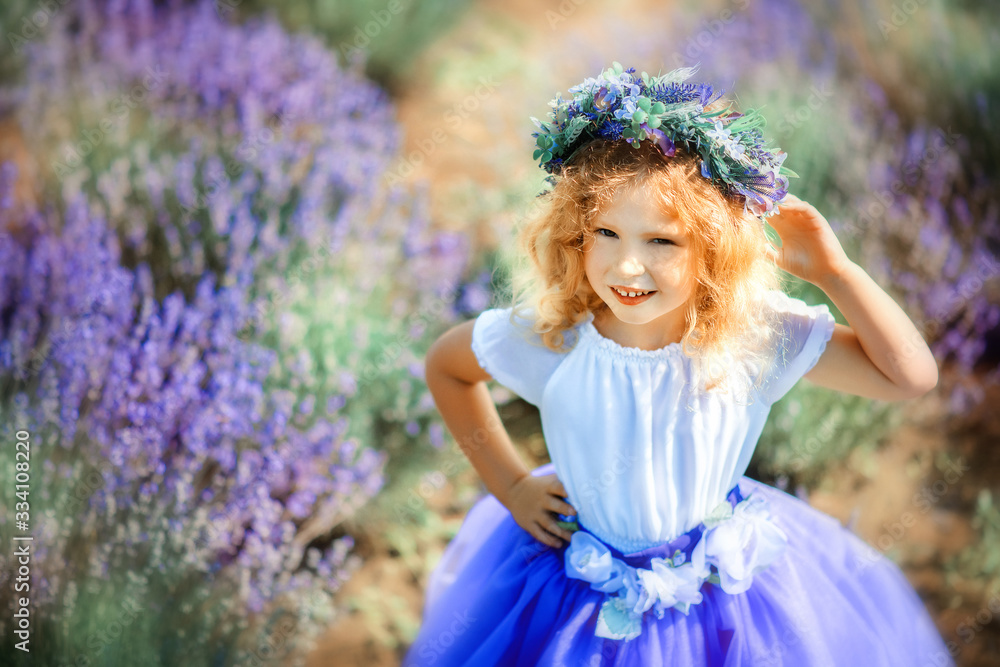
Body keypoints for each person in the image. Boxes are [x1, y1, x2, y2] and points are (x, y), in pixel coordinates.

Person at [402, 63, 954, 666]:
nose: (626, 266)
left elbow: (909, 376)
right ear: (574, 235)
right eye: (605, 232)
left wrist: (835, 274)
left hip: (724, 590)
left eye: (661, 241)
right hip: (578, 587)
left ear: (715, 250)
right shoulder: (556, 338)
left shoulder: (750, 340)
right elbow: (448, 367)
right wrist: (510, 485)